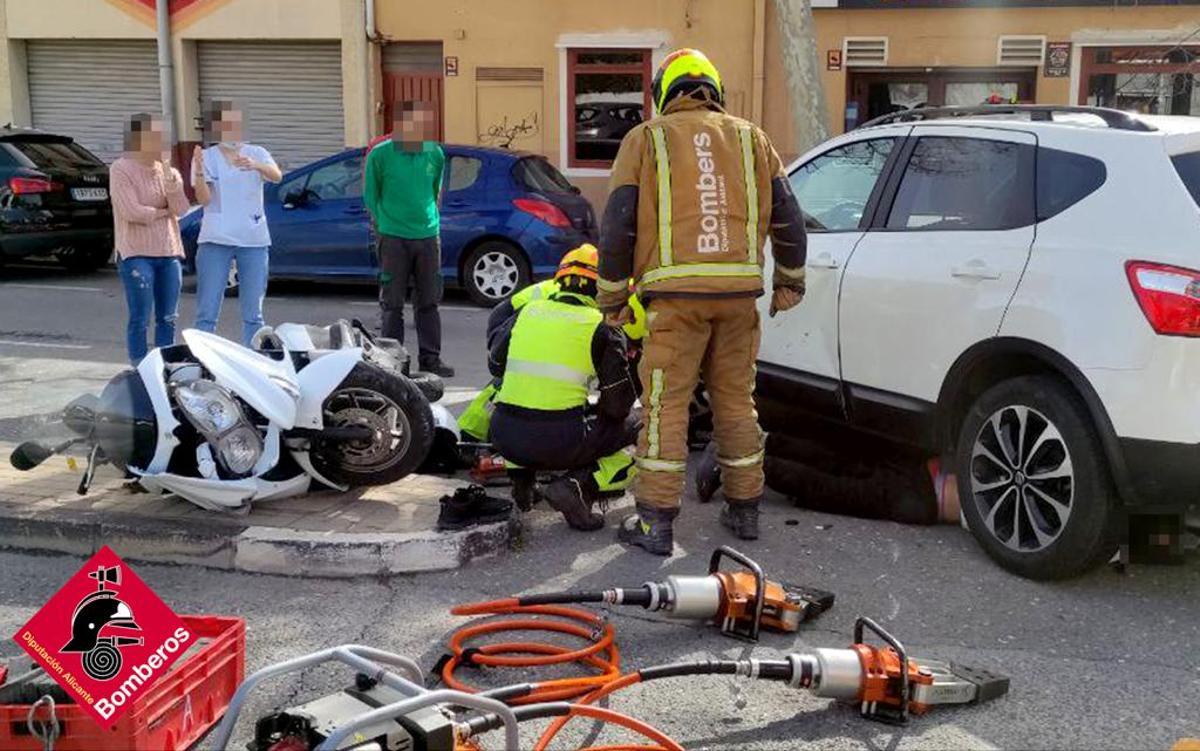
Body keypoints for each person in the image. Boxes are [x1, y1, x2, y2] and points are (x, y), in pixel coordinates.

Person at [597, 48, 808, 556]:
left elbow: (619, 221)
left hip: (674, 302)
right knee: (736, 401)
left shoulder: (644, 139)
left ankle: (655, 522)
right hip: (738, 298)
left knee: (665, 407)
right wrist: (790, 280)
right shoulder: (752, 137)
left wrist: (613, 296)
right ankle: (746, 509)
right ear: (714, 90)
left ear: (665, 92)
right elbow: (789, 214)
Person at [489, 244, 640, 530]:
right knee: (644, 425)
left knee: (521, 402)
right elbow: (618, 408)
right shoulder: (603, 327)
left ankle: (523, 483)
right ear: (602, 287)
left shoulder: (528, 311)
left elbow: (496, 367)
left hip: (504, 437)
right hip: (557, 443)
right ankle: (579, 486)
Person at [365, 101, 454, 378]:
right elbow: (371, 195)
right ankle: (393, 361)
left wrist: (431, 223)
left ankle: (430, 359)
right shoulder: (380, 155)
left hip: (428, 237)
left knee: (429, 301)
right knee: (392, 304)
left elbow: (435, 191)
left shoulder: (434, 154)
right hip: (393, 237)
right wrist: (383, 227)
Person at [190, 100, 282, 346]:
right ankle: (204, 358)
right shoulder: (206, 157)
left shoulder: (257, 152)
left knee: (254, 313)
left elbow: (276, 176)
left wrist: (256, 166)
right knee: (207, 311)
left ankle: (251, 360)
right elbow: (204, 199)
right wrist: (198, 171)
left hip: (253, 238)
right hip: (215, 239)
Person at [109, 113, 190, 365]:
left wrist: (169, 178)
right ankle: (139, 365)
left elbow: (182, 208)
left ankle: (165, 364)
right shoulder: (121, 168)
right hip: (136, 253)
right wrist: (163, 212)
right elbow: (131, 212)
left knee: (168, 316)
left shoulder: (170, 172)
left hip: (168, 251)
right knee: (140, 316)